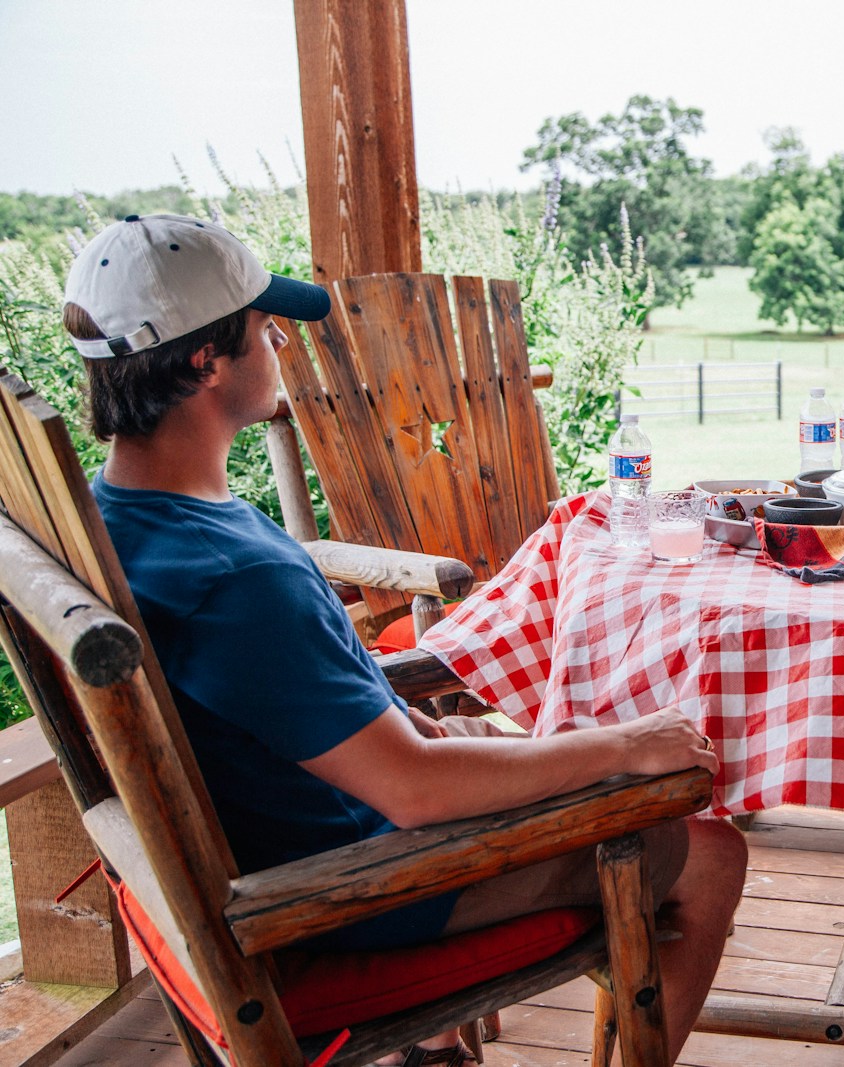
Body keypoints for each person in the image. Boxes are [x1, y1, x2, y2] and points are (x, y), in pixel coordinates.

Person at [62, 214, 747, 1066]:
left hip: (281, 836)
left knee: (523, 746)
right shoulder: (232, 577)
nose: (279, 340)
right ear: (205, 361)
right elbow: (414, 790)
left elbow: (323, 719)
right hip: (339, 889)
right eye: (262, 326)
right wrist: (629, 744)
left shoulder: (117, 520)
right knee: (705, 848)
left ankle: (425, 1052)